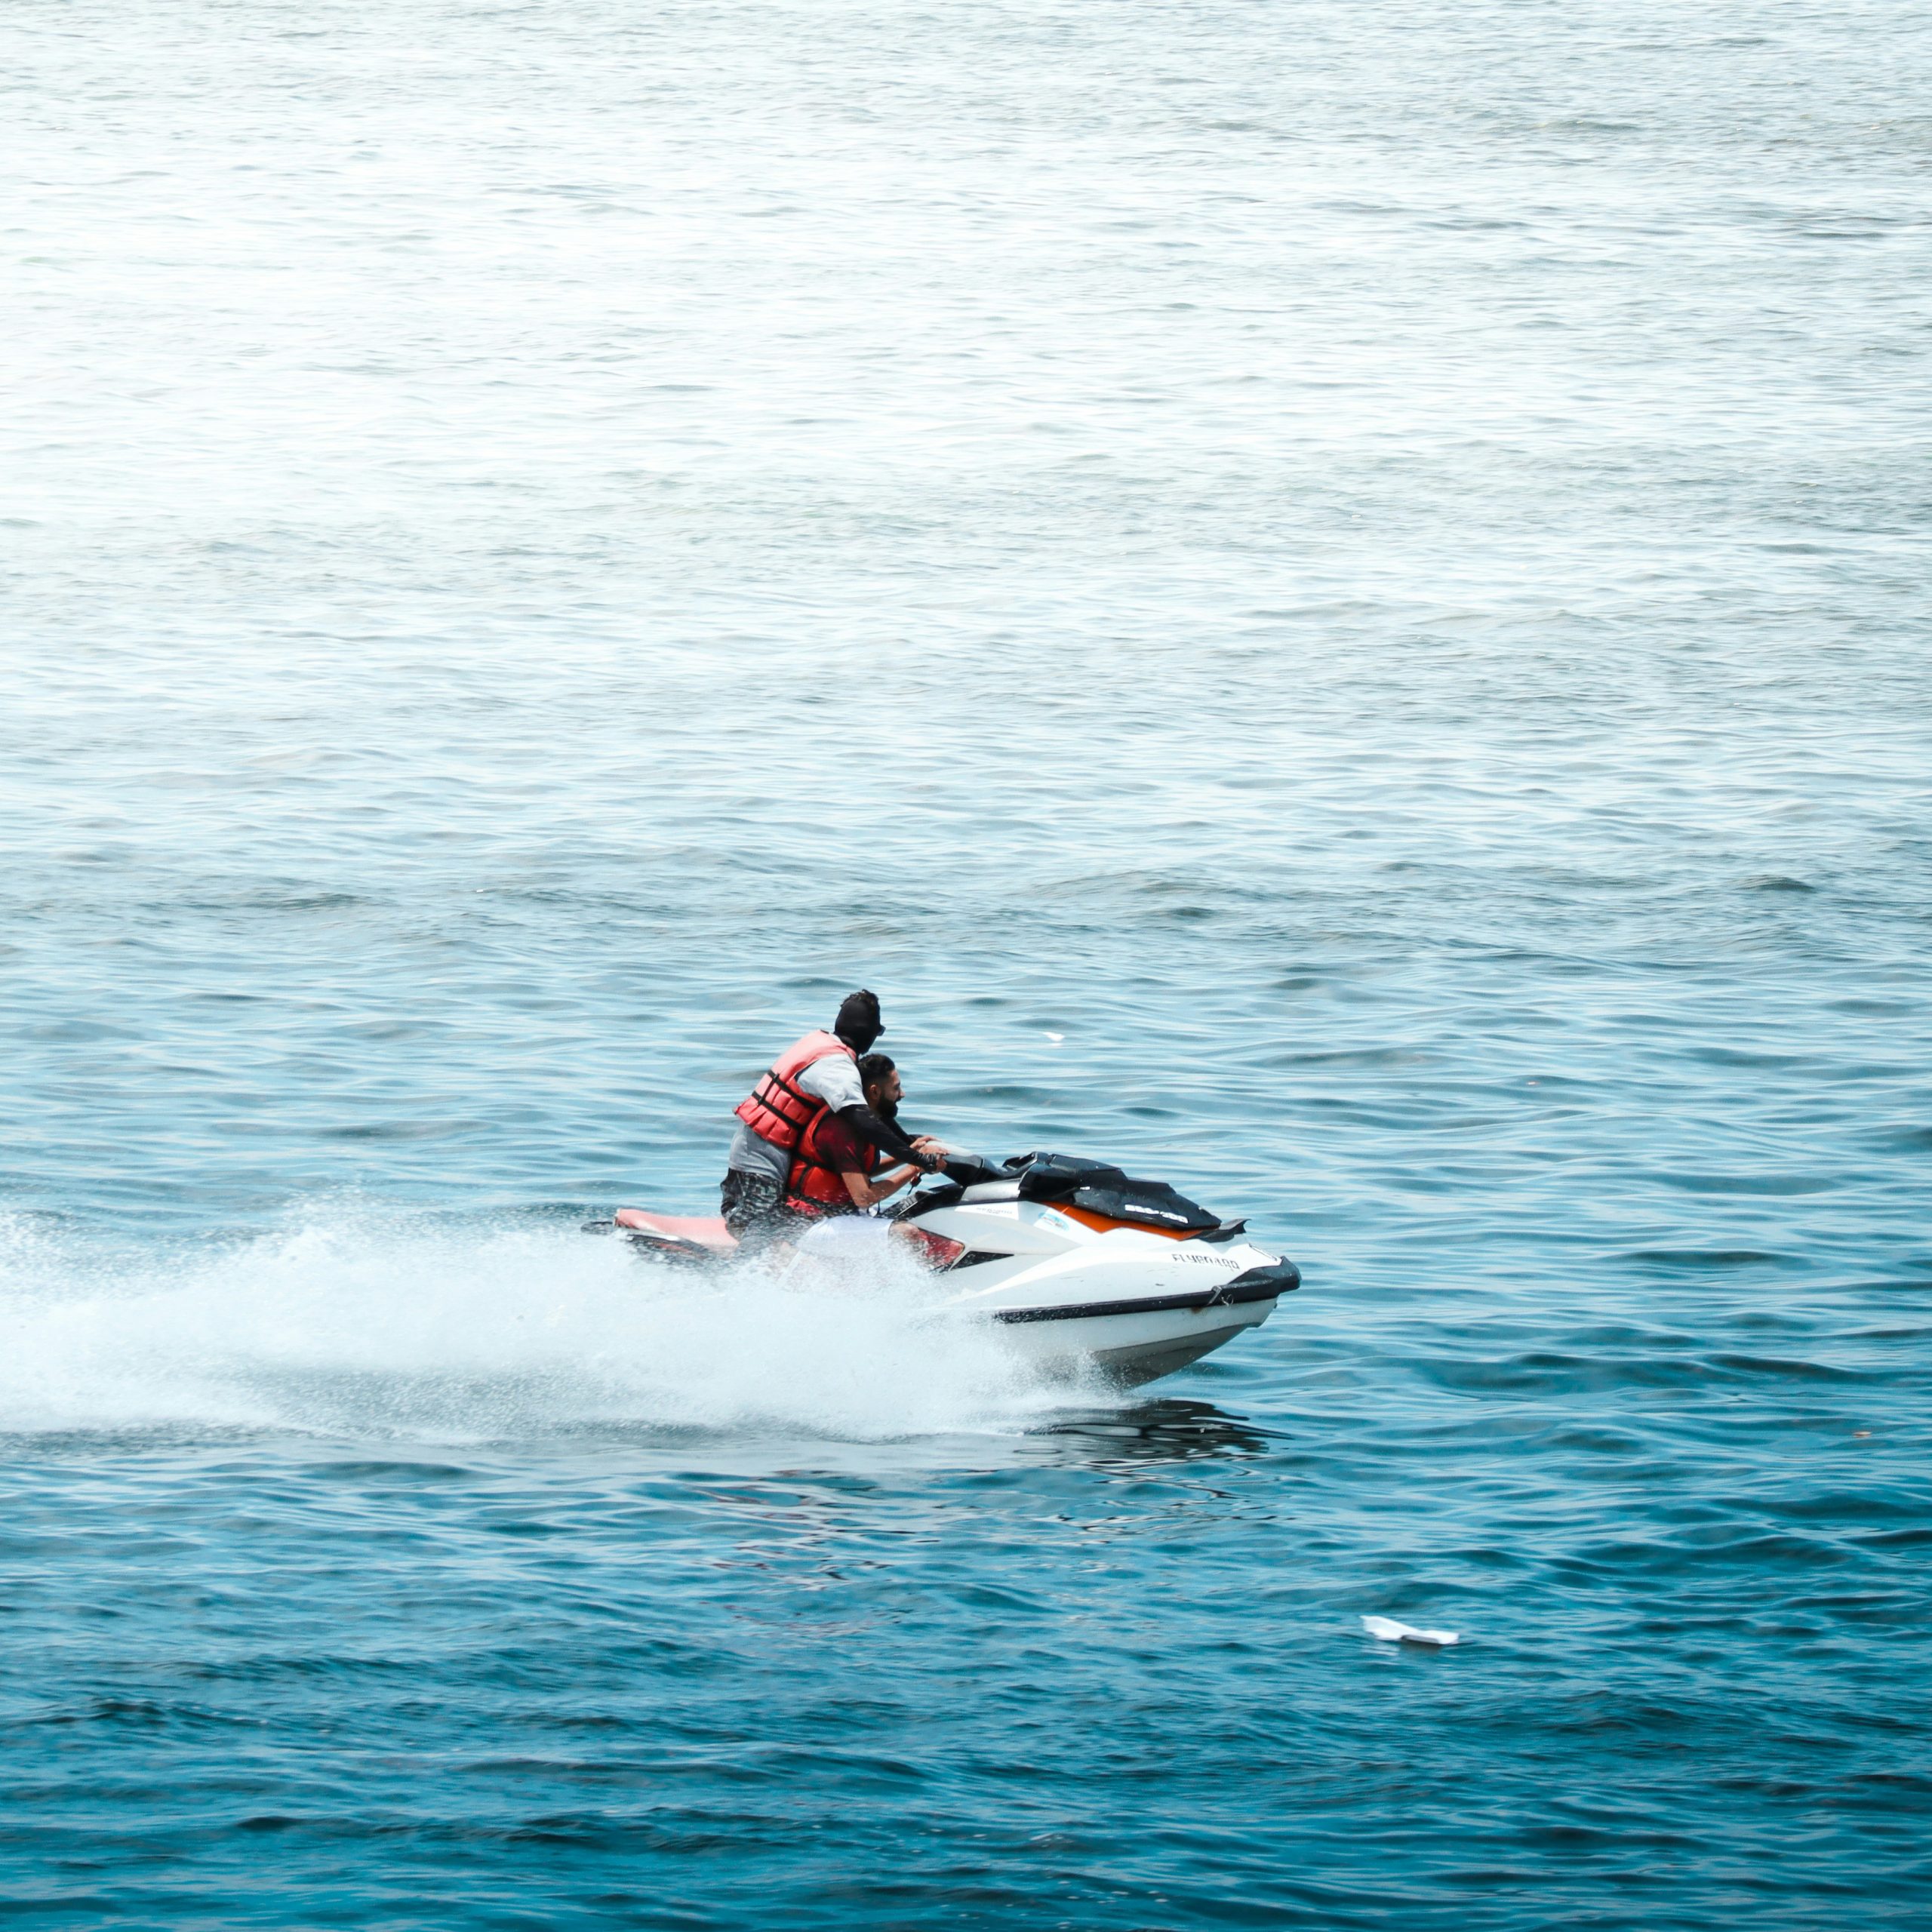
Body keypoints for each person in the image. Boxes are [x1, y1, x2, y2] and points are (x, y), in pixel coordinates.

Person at [721, 990, 944, 1247]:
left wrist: (909, 1144)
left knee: (757, 1229)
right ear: (869, 1035)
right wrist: (918, 1161)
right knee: (755, 1232)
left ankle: (762, 1255)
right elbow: (866, 1120)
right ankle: (740, 1269)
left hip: (756, 1143)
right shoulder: (839, 1066)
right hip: (761, 1156)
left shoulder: (819, 1042)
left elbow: (873, 1114)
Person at [783, 1054, 931, 1220]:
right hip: (812, 1219)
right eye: (896, 1088)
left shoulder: (860, 1121)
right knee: (909, 1231)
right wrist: (915, 1168)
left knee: (921, 1210)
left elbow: (862, 1172)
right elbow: (863, 1198)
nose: (902, 1094)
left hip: (839, 1215)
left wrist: (909, 1154)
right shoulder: (840, 1130)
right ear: (875, 1091)